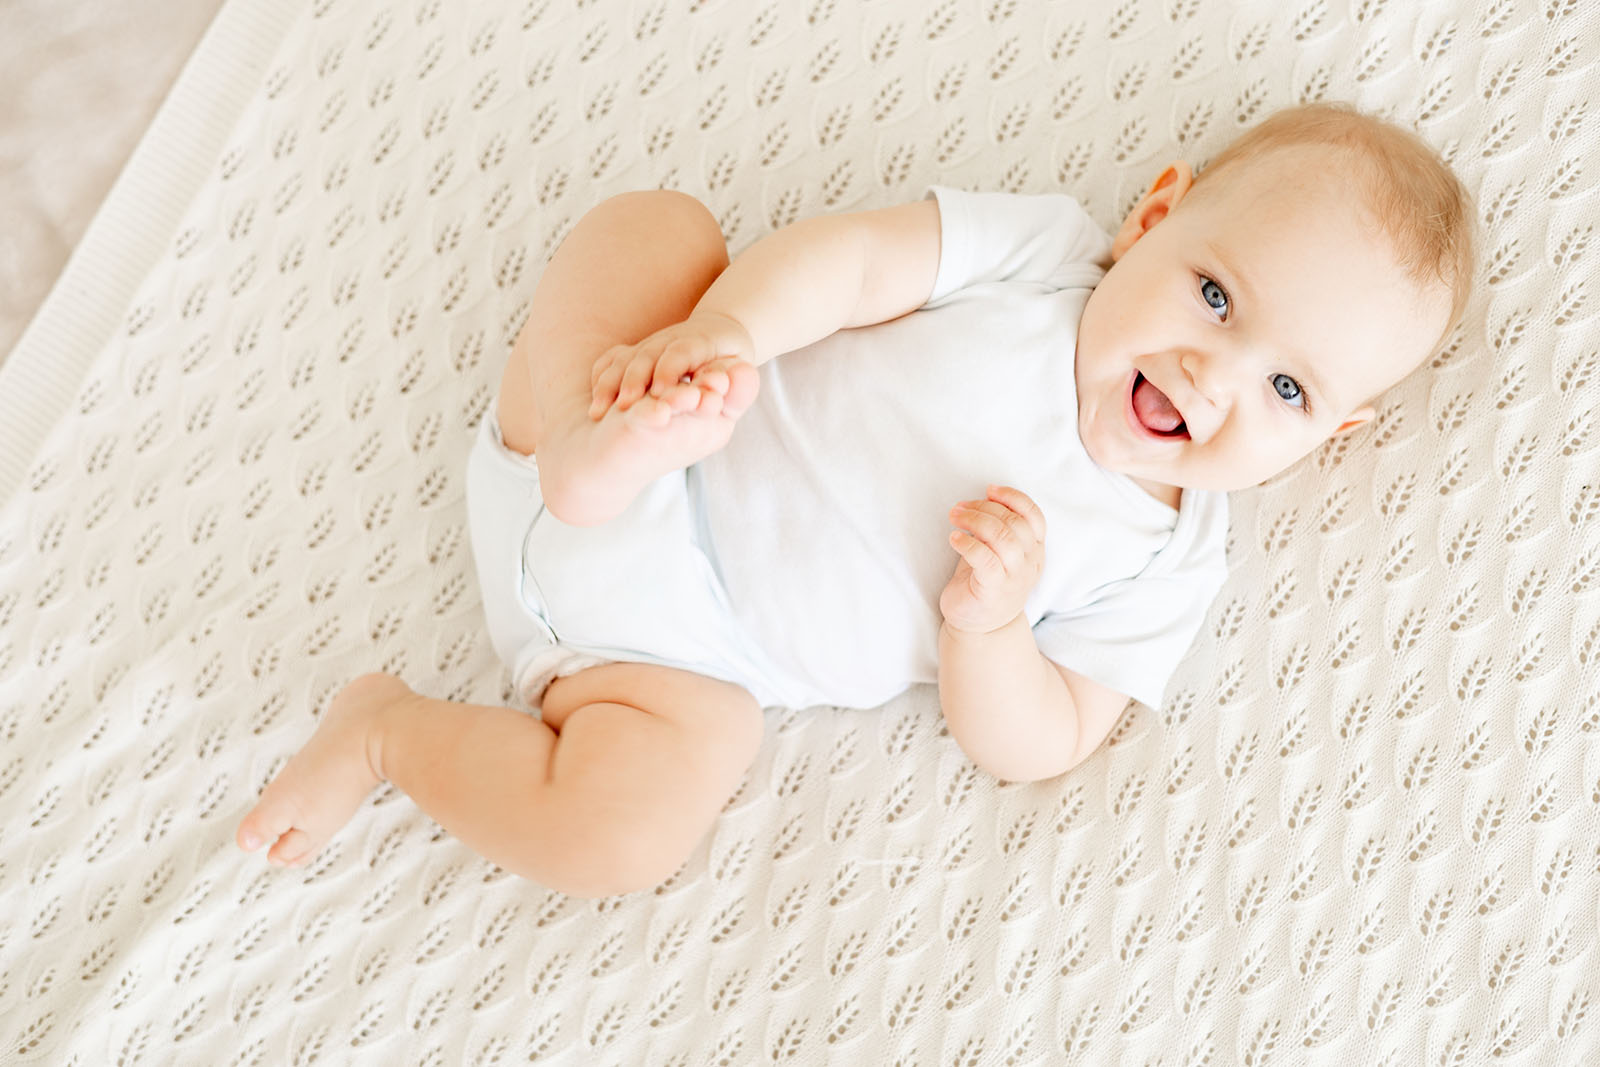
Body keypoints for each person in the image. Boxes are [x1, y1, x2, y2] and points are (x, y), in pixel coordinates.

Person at [236, 102, 1474, 897]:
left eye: (1287, 388)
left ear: (1329, 436)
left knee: (625, 834)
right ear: (1151, 216)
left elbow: (1043, 739)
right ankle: (587, 441)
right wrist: (725, 333)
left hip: (662, 664)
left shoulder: (1170, 559)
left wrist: (989, 628)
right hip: (655, 417)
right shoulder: (1044, 259)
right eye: (1213, 296)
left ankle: (386, 731)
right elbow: (856, 259)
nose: (1213, 374)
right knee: (658, 229)